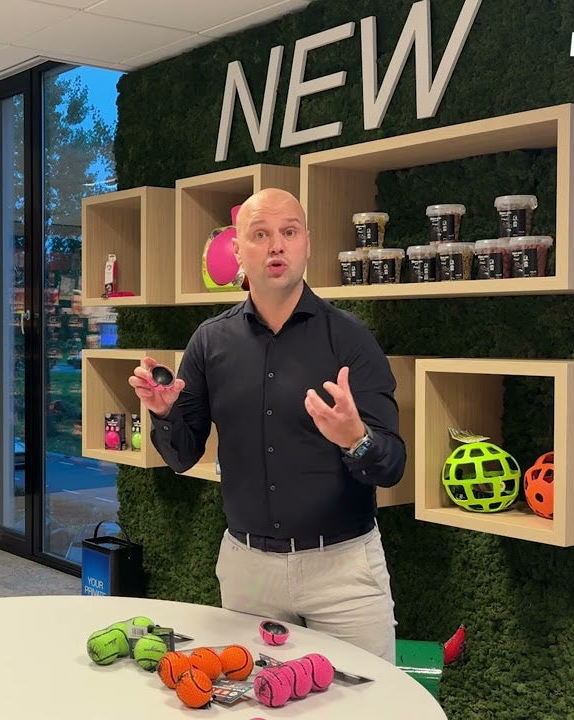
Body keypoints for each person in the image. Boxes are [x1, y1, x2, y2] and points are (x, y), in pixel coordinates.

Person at [129, 188, 406, 661]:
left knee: (367, 698)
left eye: (289, 232)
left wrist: (356, 439)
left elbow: (392, 464)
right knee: (253, 695)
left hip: (344, 573)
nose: (276, 245)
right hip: (248, 574)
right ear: (238, 251)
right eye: (260, 235)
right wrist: (164, 413)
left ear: (307, 243)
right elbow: (182, 457)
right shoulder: (209, 342)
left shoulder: (350, 339)